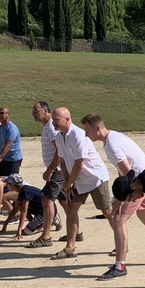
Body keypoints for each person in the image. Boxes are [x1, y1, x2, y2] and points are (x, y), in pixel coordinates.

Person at [82, 113, 145, 280]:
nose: (86, 134)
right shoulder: (113, 138)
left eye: (87, 131)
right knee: (144, 215)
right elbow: (124, 171)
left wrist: (119, 199)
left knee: (117, 219)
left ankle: (120, 265)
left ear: (97, 128)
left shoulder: (112, 145)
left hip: (138, 185)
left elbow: (129, 175)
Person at [50, 107, 113, 260]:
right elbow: (63, 161)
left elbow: (80, 164)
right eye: (53, 120)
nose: (53, 123)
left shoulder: (78, 135)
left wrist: (68, 184)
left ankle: (122, 243)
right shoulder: (59, 137)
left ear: (67, 119)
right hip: (78, 180)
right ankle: (70, 248)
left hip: (95, 178)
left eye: (56, 120)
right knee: (71, 209)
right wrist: (68, 183)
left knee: (107, 211)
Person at [25, 100, 64, 249]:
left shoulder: (51, 128)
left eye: (36, 111)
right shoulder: (48, 127)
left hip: (57, 171)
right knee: (66, 202)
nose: (33, 114)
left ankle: (46, 236)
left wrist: (50, 170)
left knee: (47, 200)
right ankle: (77, 233)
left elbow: (59, 150)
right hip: (59, 170)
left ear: (46, 111)